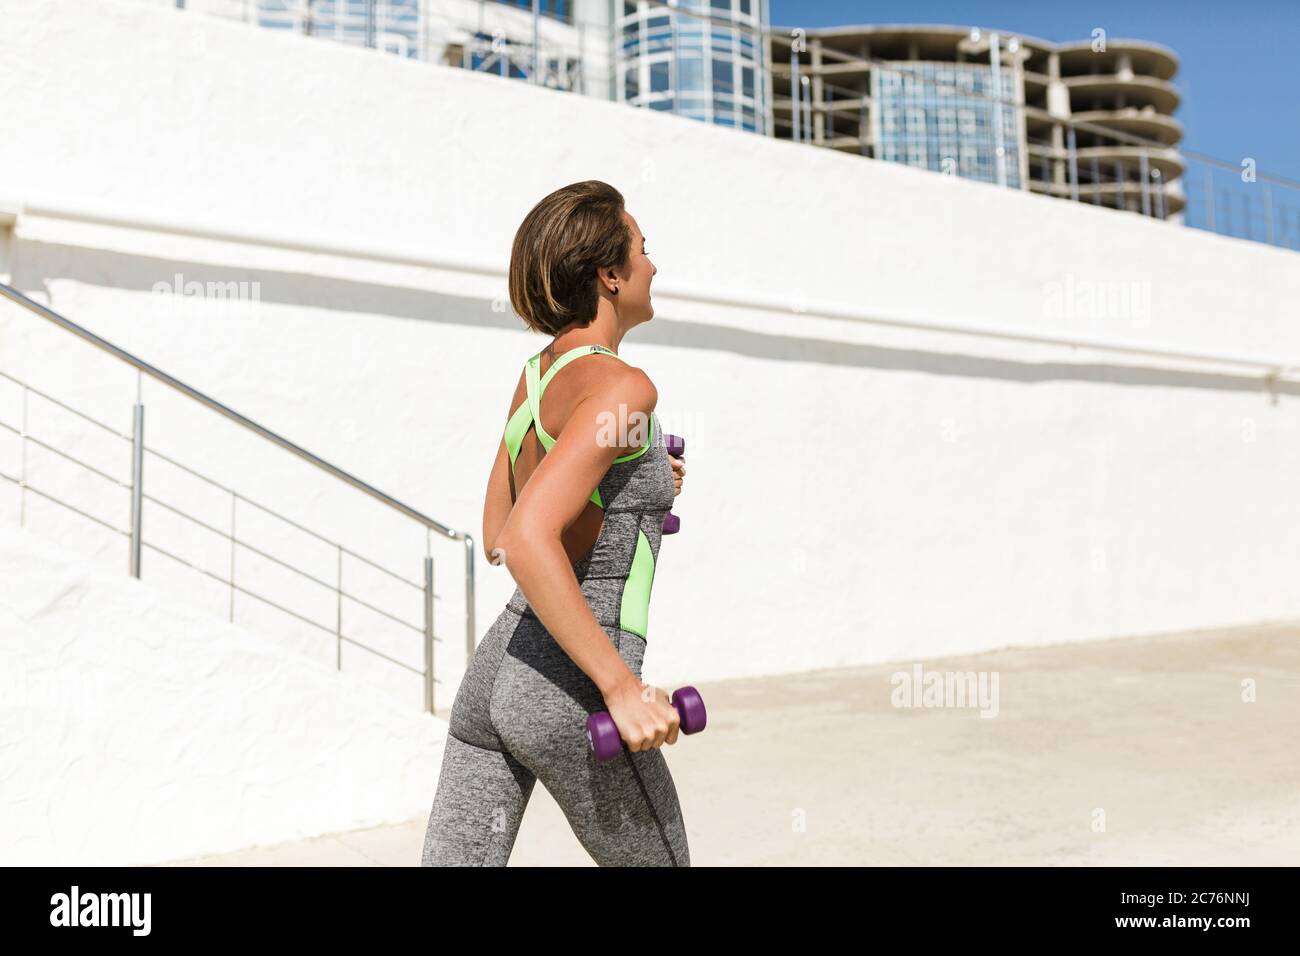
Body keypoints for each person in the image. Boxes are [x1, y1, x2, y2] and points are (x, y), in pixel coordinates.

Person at [420, 180, 690, 866]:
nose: (653, 265)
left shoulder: (538, 375)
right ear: (608, 273)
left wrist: (642, 487)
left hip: (497, 673)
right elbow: (524, 539)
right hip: (568, 687)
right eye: (642, 248)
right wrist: (621, 688)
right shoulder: (626, 387)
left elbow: (497, 522)